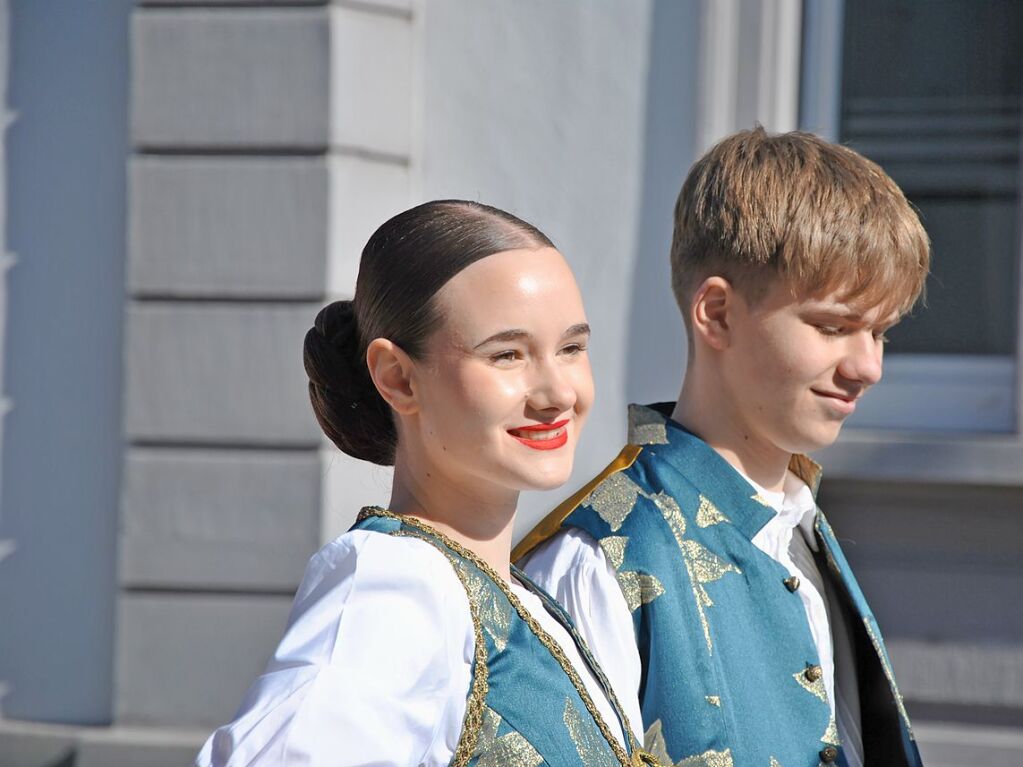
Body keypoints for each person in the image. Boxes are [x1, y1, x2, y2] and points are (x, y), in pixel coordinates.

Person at [516, 128, 930, 767]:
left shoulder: (801, 530)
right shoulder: (595, 564)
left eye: (880, 332)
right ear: (716, 313)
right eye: (834, 326)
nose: (868, 365)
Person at [195, 200, 657, 767]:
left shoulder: (523, 602)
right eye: (507, 354)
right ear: (398, 378)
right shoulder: (400, 584)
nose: (558, 393)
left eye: (571, 348)